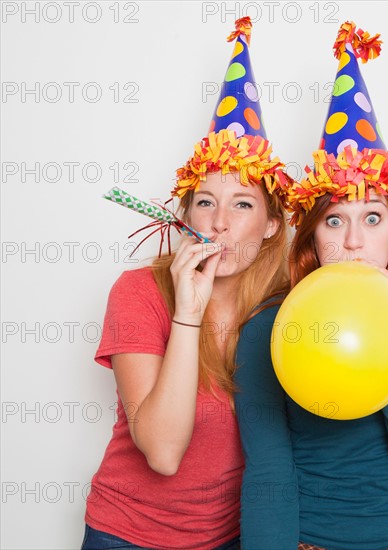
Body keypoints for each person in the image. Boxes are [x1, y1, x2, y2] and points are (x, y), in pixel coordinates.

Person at [234, 22, 388, 550]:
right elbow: (269, 476)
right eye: (335, 221)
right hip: (308, 542)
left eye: (372, 218)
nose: (354, 241)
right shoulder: (271, 327)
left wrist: (387, 338)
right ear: (313, 238)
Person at [82, 18, 293, 550]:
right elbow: (163, 452)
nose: (220, 222)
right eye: (206, 202)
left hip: (233, 538)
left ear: (271, 226)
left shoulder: (284, 307)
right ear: (186, 215)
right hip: (127, 537)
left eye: (242, 204)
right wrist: (188, 312)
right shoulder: (137, 292)